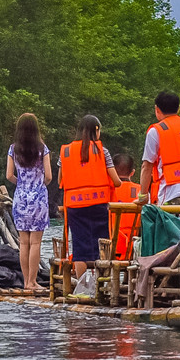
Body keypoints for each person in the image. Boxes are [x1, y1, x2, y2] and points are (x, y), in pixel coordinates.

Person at [59, 115, 121, 279]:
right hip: (98, 204)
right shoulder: (102, 151)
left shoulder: (65, 151)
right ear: (96, 130)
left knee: (80, 246)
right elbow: (116, 181)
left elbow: (60, 180)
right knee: (101, 244)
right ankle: (103, 283)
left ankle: (82, 285)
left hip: (74, 206)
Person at [5, 112, 53, 294]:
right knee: (35, 243)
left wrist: (22, 184)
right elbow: (48, 176)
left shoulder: (13, 149)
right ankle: (33, 282)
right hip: (38, 198)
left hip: (20, 198)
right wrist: (39, 184)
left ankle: (26, 281)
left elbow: (9, 175)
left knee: (23, 243)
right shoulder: (42, 149)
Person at [110, 152, 140, 260]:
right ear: (132, 173)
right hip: (135, 248)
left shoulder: (108, 191)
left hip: (111, 248)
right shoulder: (141, 192)